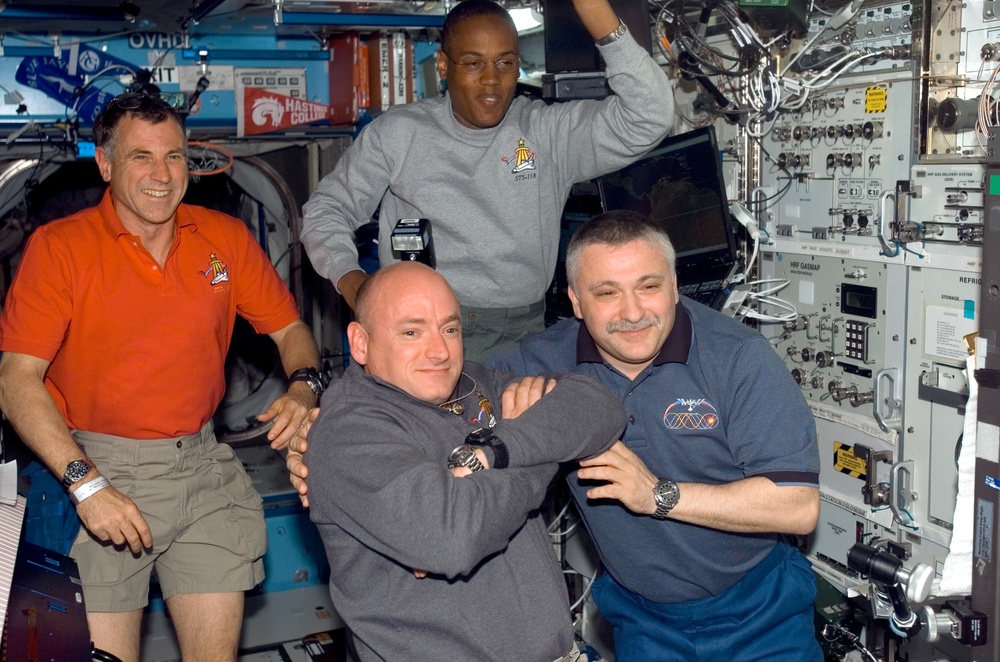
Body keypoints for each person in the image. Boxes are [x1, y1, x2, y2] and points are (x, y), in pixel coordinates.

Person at [0, 93, 322, 662]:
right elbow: (16, 380)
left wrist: (302, 385)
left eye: (174, 157)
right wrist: (86, 484)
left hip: (201, 466)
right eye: (140, 157)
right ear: (105, 164)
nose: (161, 175)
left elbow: (291, 330)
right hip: (102, 470)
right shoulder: (60, 249)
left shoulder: (223, 239)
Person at [487, 210, 823, 661]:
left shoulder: (738, 358)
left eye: (649, 287)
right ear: (576, 301)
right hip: (643, 622)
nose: (633, 313)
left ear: (674, 284)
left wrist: (658, 495)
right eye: (607, 292)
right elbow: (440, 400)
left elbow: (798, 505)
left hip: (760, 612)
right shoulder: (542, 362)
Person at [301, 0, 675, 361]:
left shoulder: (545, 132)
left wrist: (596, 13)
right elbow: (326, 210)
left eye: (505, 63)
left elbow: (650, 116)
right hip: (427, 330)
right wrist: (354, 283)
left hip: (527, 330)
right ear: (444, 66)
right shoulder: (399, 134)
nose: (492, 80)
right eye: (473, 63)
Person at [305, 261, 628, 661]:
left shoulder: (477, 385)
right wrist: (542, 454)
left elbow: (599, 405)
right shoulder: (349, 431)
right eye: (411, 331)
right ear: (360, 343)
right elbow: (453, 535)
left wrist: (496, 451)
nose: (439, 351)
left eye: (450, 329)